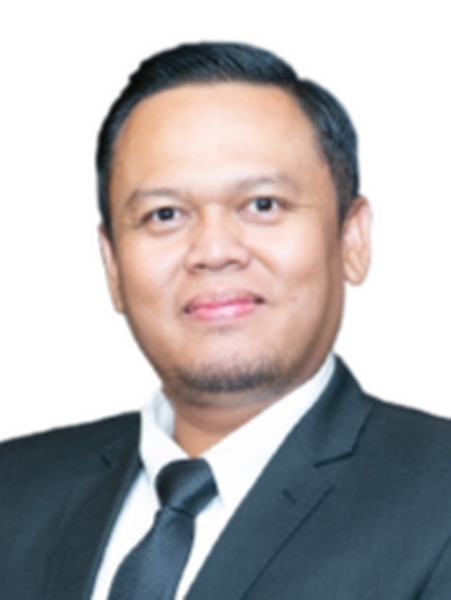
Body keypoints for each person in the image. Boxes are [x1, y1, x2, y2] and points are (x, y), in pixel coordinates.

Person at [1, 42, 451, 600]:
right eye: (164, 214)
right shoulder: (12, 492)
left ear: (351, 239)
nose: (213, 251)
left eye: (263, 204)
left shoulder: (439, 499)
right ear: (112, 265)